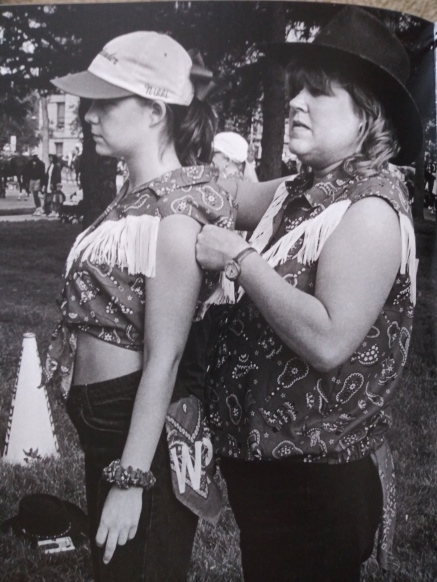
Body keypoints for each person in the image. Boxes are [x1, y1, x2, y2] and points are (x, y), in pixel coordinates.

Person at [195, 7, 421, 582]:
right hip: (272, 476)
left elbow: (328, 340)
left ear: (368, 116)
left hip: (316, 487)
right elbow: (224, 195)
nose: (295, 102)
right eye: (296, 89)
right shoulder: (301, 190)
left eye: (317, 92)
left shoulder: (371, 208)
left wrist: (241, 260)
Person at [45, 31, 240, 582]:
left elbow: (165, 357)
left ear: (156, 111)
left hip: (139, 430)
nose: (89, 115)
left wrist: (131, 481)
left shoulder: (174, 216)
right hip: (109, 426)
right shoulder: (138, 197)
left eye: (106, 102)